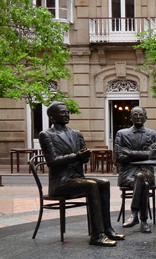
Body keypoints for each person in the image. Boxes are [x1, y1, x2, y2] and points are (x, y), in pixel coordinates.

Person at [38, 101, 125, 247]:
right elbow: (52, 161)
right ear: (52, 117)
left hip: (77, 178)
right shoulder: (46, 135)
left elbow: (84, 158)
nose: (66, 114)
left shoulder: (76, 134)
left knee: (104, 182)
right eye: (62, 112)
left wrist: (85, 157)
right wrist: (76, 156)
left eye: (67, 112)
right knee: (90, 185)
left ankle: (107, 229)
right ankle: (97, 236)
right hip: (61, 182)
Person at [115, 106, 156, 234]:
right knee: (143, 182)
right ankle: (144, 221)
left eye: (141, 115)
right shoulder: (122, 134)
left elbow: (155, 155)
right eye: (135, 115)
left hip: (147, 171)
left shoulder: (153, 134)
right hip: (127, 174)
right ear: (130, 118)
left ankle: (134, 214)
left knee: (141, 177)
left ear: (146, 117)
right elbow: (119, 157)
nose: (138, 117)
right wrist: (144, 154)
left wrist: (131, 154)